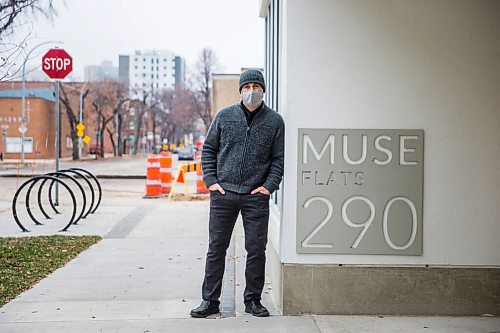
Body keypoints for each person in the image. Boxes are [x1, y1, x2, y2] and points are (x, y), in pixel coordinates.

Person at [190, 69, 284, 318]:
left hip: (256, 196)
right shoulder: (224, 116)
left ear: (263, 89)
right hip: (224, 194)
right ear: (240, 89)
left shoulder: (275, 121)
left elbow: (278, 159)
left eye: (256, 86)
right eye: (247, 86)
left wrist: (268, 187)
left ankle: (253, 300)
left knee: (256, 250)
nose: (251, 90)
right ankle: (210, 301)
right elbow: (209, 150)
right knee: (216, 248)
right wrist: (212, 181)